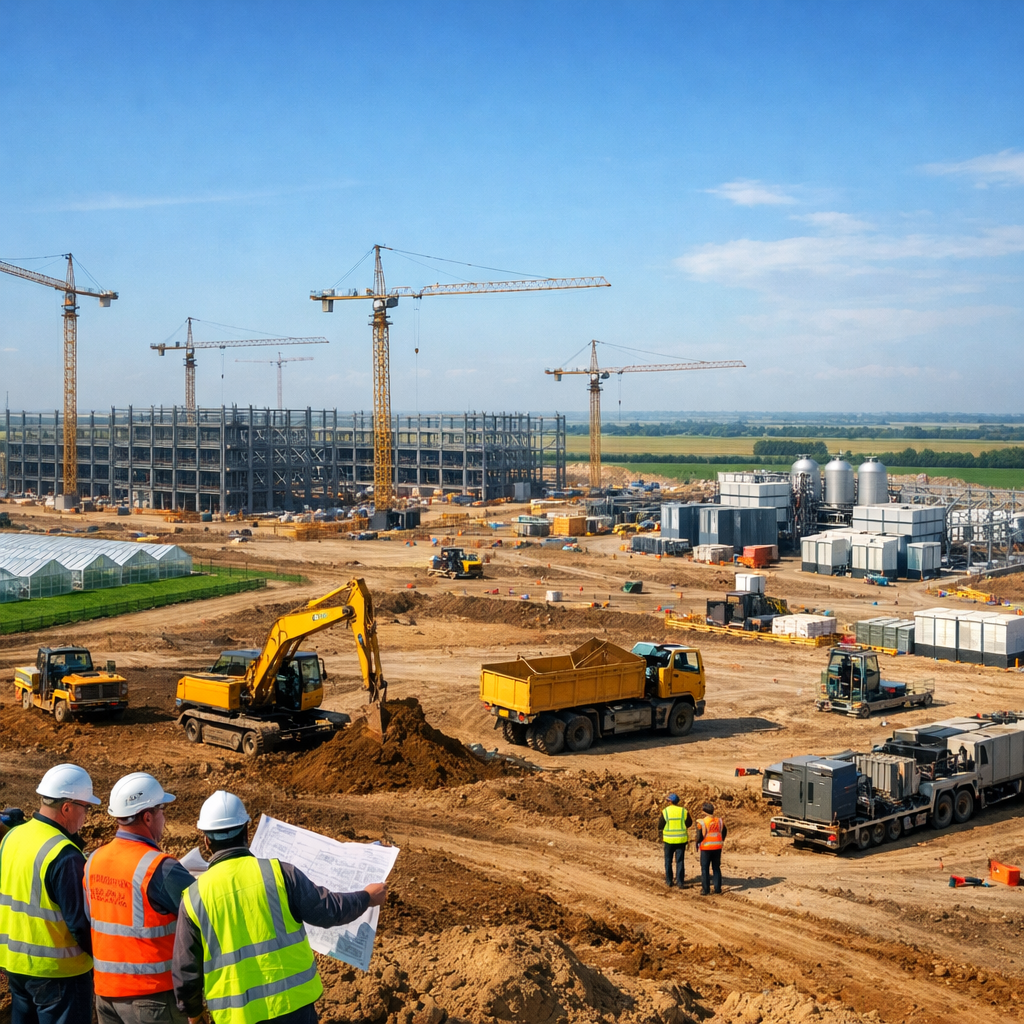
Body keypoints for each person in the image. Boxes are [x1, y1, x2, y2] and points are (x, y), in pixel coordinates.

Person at [172, 790, 388, 1024]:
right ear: (247, 831)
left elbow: (185, 971)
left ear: (206, 841)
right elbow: (329, 910)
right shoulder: (280, 874)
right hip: (294, 1009)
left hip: (238, 1017)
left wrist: (194, 1014)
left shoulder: (194, 897)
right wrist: (367, 896)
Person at [84, 772, 196, 1024]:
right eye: (162, 810)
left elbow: (89, 918)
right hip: (152, 998)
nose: (164, 819)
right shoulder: (159, 868)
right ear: (147, 816)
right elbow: (205, 914)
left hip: (105, 995)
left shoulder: (94, 861)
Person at [0, 763, 101, 1024]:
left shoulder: (12, 838)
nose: (86, 816)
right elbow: (79, 924)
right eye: (85, 807)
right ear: (67, 808)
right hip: (59, 974)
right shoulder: (64, 854)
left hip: (15, 965)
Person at [657, 793, 691, 888]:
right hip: (681, 840)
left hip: (669, 840)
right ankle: (680, 882)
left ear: (670, 801)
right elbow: (689, 823)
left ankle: (669, 881)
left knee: (668, 861)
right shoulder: (683, 811)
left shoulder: (665, 812)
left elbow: (660, 825)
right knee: (680, 861)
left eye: (668, 801)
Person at [694, 801, 727, 896]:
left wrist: (697, 842)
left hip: (706, 848)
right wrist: (721, 840)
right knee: (716, 868)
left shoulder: (702, 822)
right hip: (717, 847)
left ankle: (706, 890)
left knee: (705, 868)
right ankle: (717, 889)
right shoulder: (719, 821)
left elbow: (699, 836)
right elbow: (724, 832)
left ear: (704, 812)